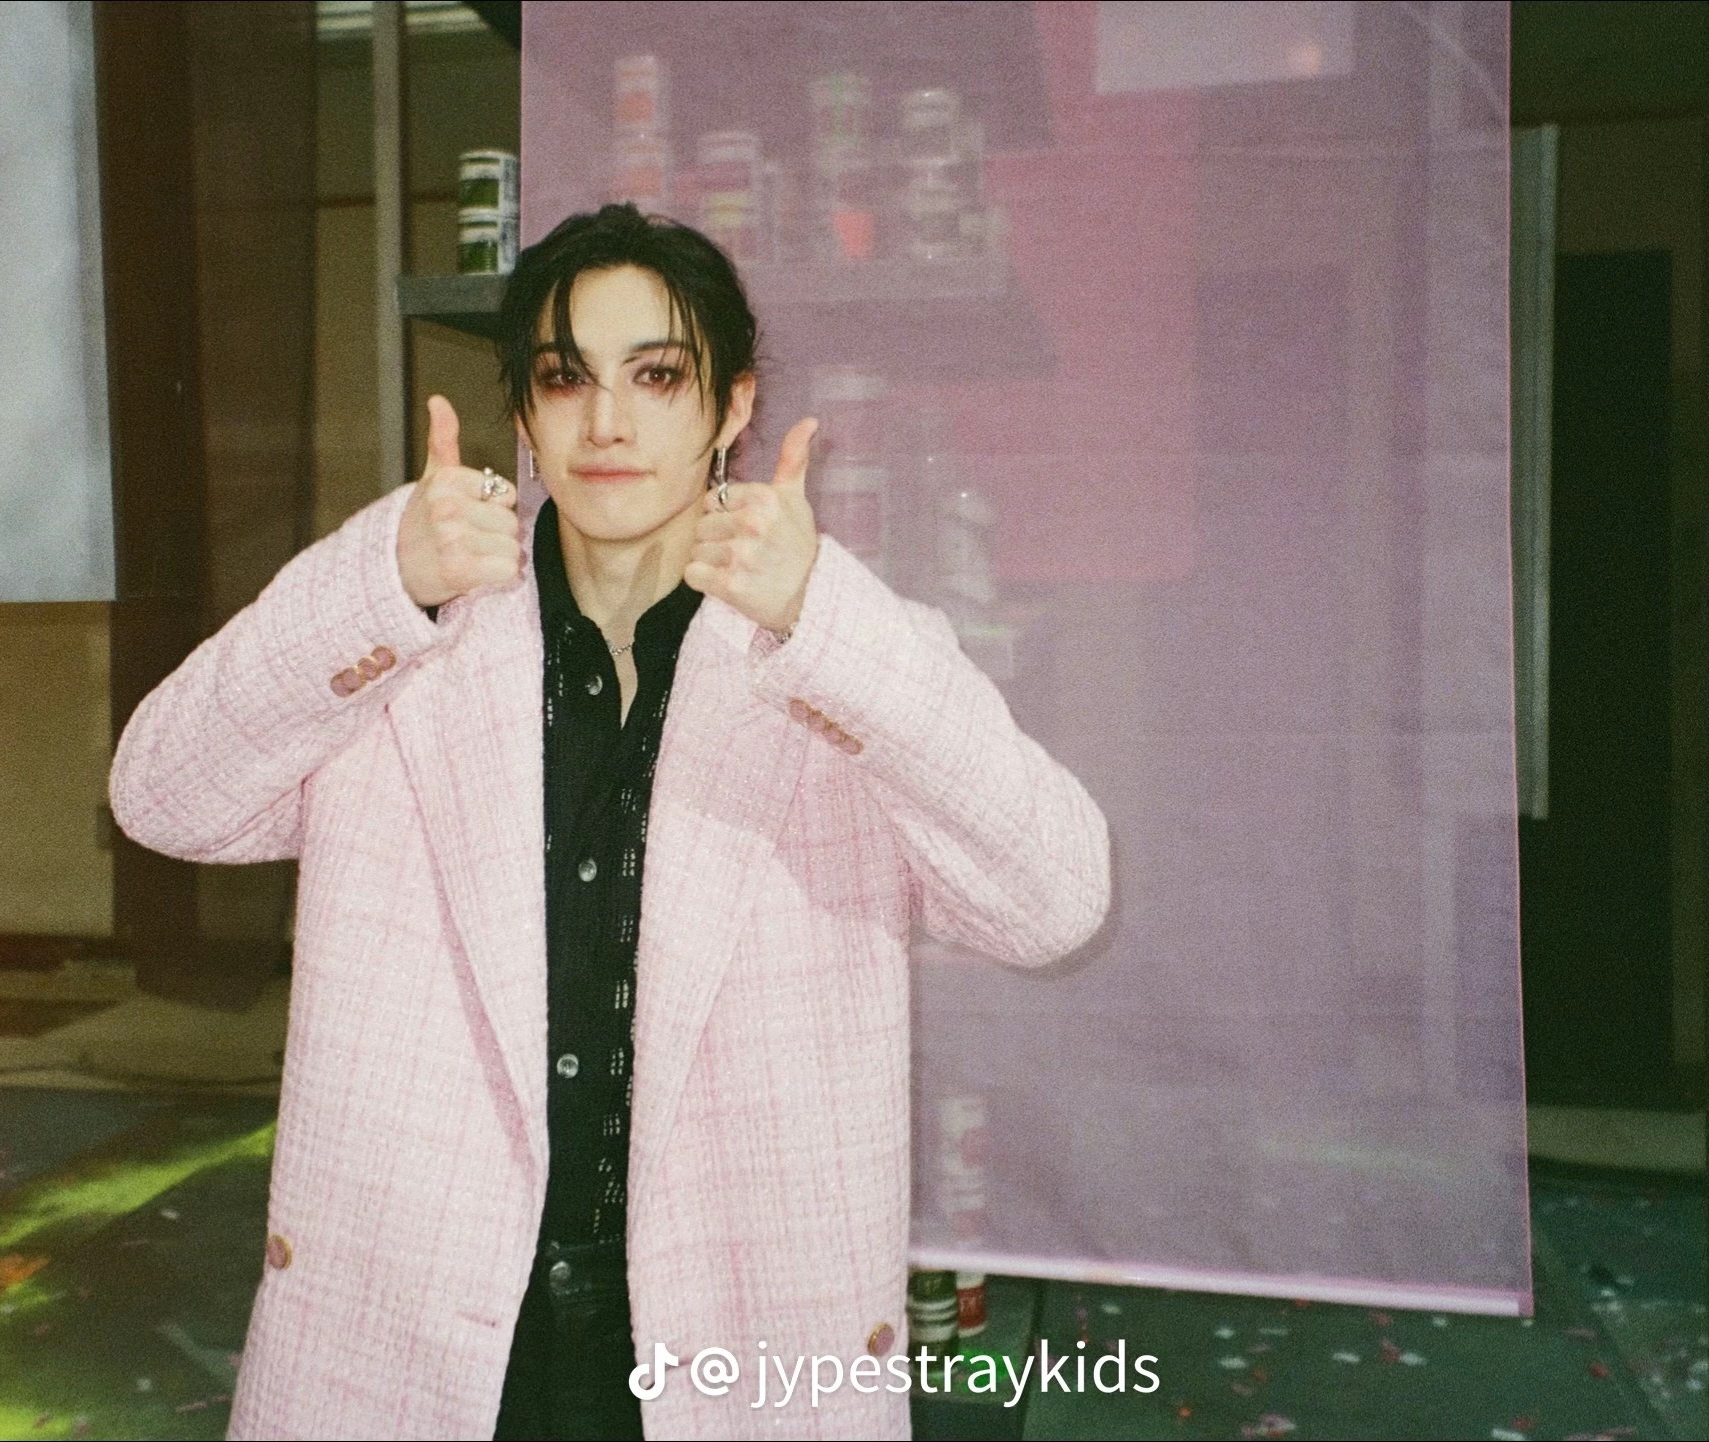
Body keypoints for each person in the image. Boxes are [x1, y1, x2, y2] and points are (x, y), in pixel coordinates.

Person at [109, 203, 1109, 1441]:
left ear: (734, 407)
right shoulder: (411, 642)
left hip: (730, 1339)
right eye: (563, 377)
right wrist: (381, 579)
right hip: (424, 1332)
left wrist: (825, 618)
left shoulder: (834, 663)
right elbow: (162, 793)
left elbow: (1057, 900)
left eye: (658, 375)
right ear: (523, 417)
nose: (608, 421)